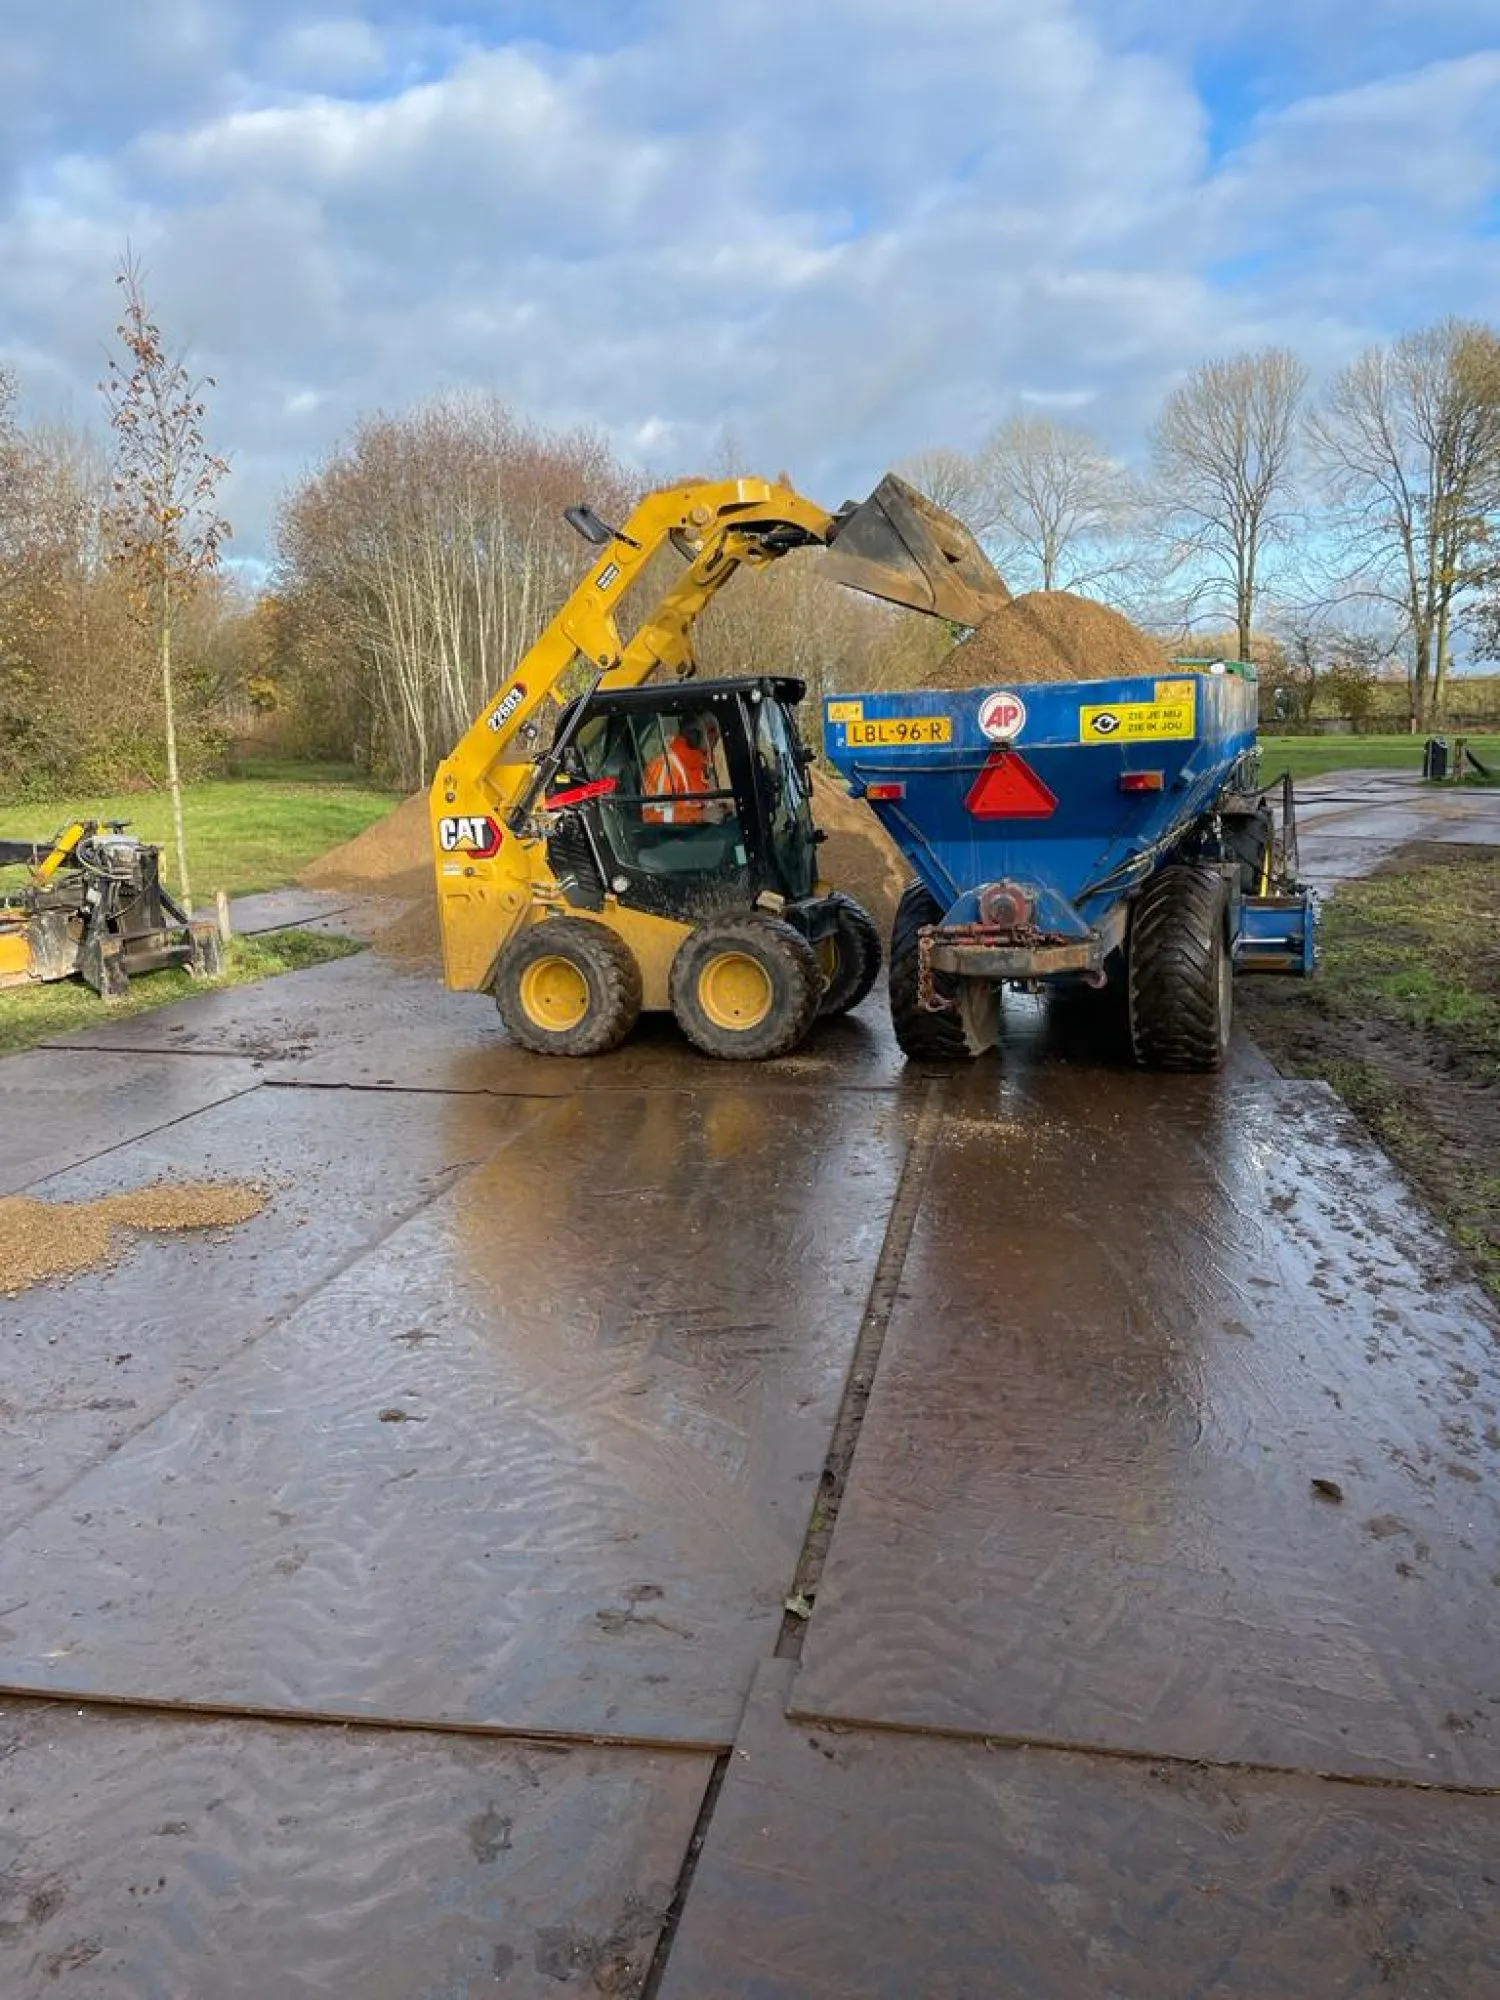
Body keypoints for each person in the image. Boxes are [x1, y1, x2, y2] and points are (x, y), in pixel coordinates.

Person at [642, 714, 724, 825]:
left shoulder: (697, 764)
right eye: (712, 731)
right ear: (694, 735)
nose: (717, 736)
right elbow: (651, 815)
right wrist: (700, 816)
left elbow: (696, 803)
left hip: (696, 835)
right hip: (675, 839)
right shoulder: (667, 766)